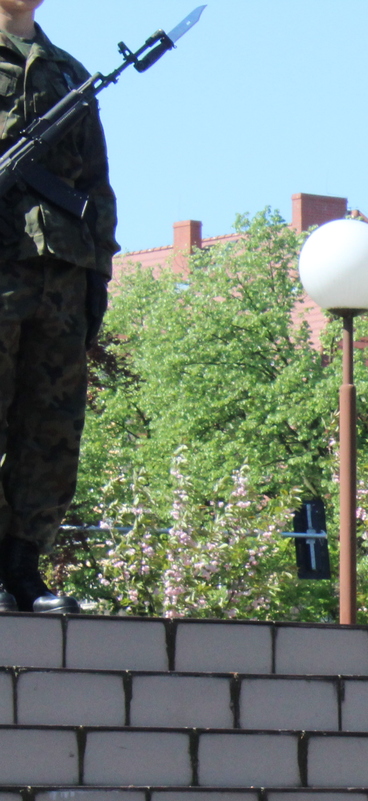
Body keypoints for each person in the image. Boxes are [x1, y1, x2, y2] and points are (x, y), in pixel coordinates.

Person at [0, 0, 113, 613]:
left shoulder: (68, 72)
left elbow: (95, 185)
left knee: (52, 428)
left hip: (61, 273)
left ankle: (23, 568)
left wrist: (98, 275)